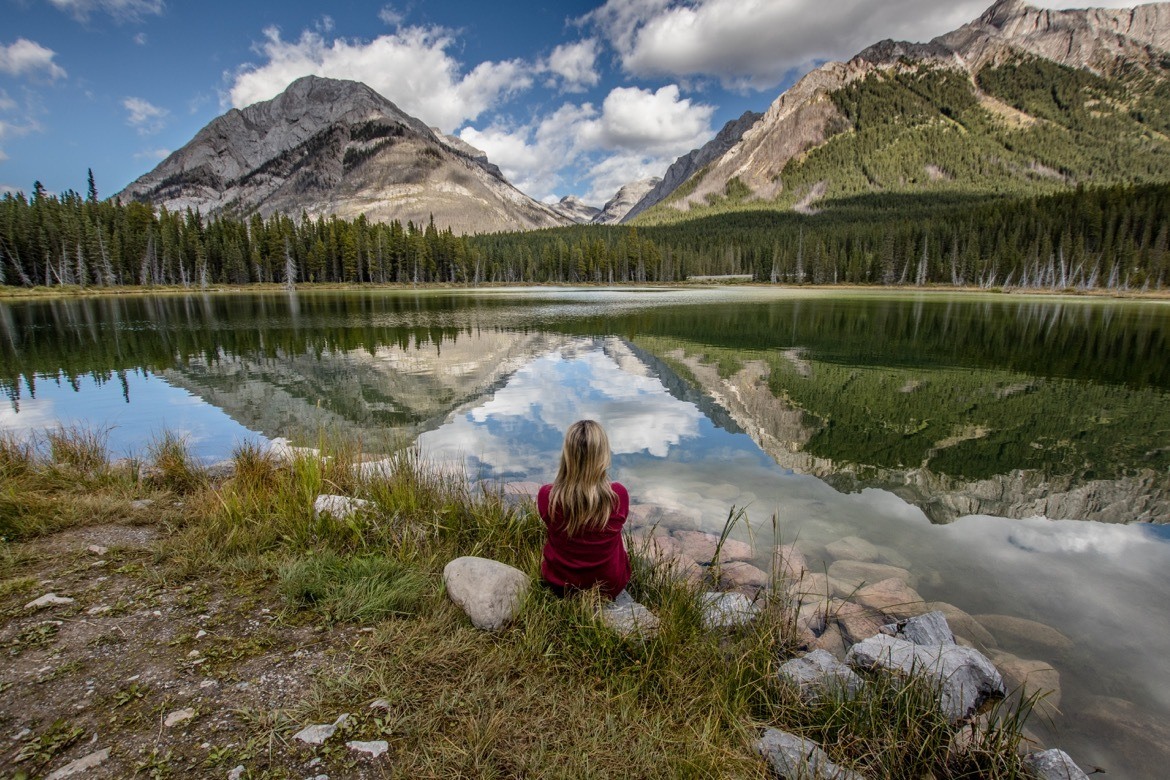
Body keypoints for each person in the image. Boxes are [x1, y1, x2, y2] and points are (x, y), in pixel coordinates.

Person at [538, 419, 631, 600]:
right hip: (609, 587)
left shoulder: (547, 496)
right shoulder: (618, 495)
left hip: (560, 585)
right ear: (603, 455)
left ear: (567, 455)